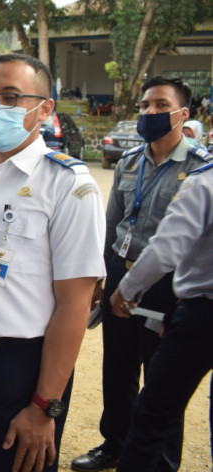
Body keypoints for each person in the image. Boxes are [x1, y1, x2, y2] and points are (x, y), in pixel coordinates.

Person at [0, 53, 106, 472]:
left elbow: (74, 304)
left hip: (24, 367)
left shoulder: (68, 186)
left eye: (11, 97)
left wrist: (44, 405)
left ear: (44, 108)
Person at [72, 76, 213, 472]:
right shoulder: (130, 161)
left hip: (165, 284)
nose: (150, 113)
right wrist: (100, 277)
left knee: (163, 378)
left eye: (160, 105)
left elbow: (181, 245)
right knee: (117, 368)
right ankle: (114, 444)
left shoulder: (200, 168)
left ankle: (163, 461)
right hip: (121, 270)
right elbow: (112, 222)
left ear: (182, 114)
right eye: (146, 105)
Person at [108, 163, 213, 471]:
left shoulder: (204, 182)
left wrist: (126, 289)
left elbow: (166, 247)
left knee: (155, 412)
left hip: (202, 314)